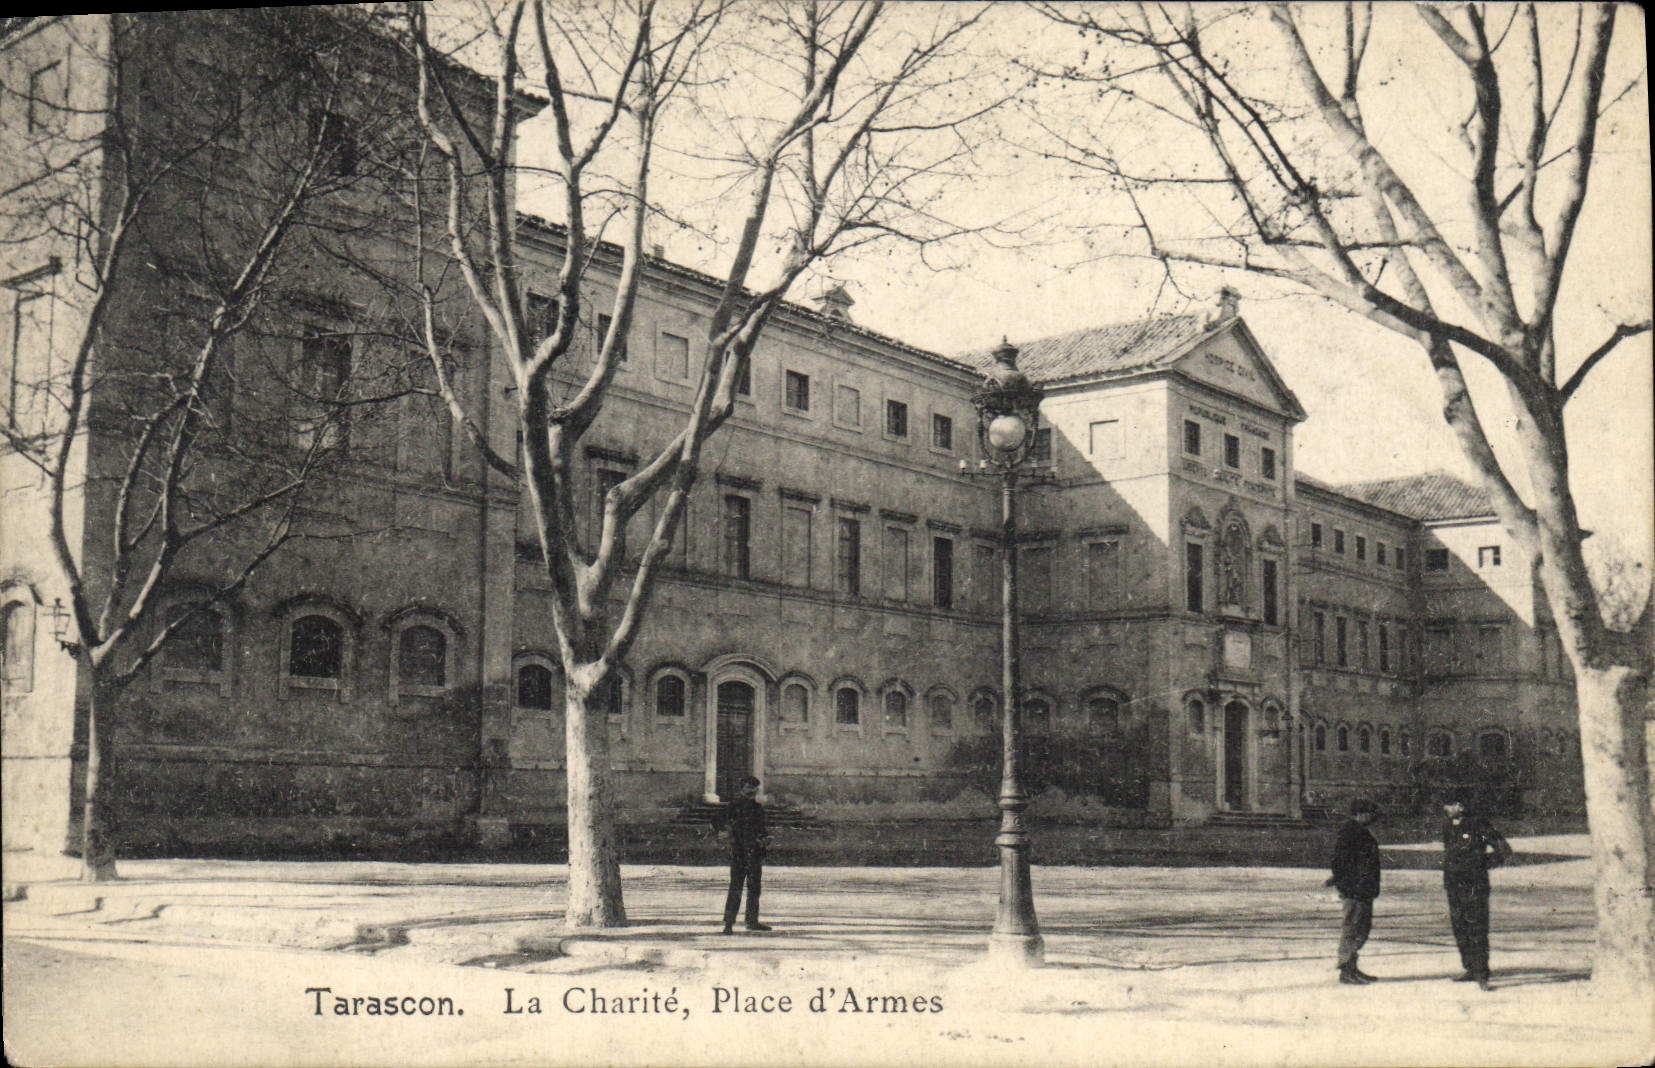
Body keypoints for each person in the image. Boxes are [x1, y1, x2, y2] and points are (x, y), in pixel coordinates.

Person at [1440, 790, 1512, 990]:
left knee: (1476, 928)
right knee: (1459, 928)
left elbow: (1504, 850)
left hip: (1474, 885)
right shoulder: (1447, 825)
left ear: (1460, 806)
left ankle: (1482, 974)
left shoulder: (1479, 824)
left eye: (1450, 804)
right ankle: (1470, 968)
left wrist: (1479, 864)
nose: (1446, 808)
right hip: (1454, 884)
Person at [1326, 798, 1382, 984]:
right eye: (1370, 814)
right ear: (1360, 814)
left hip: (1364, 889)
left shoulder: (1359, 831)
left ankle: (1352, 967)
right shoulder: (1350, 833)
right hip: (1355, 890)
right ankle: (1346, 969)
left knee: (1361, 929)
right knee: (1352, 928)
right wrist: (1347, 884)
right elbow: (1339, 862)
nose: (1373, 818)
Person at [714, 776, 772, 934]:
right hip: (739, 851)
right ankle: (728, 923)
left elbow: (761, 829)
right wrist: (725, 833)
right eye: (748, 787)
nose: (752, 790)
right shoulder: (733, 806)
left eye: (754, 788)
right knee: (736, 887)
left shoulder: (758, 808)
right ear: (741, 789)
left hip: (755, 851)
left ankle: (752, 921)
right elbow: (717, 821)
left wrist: (765, 838)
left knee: (754, 888)